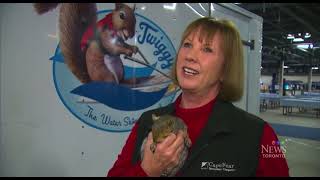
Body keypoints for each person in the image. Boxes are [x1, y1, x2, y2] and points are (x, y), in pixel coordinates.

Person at [107, 17, 289, 177]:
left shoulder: (259, 134)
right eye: (187, 45)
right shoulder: (147, 122)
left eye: (207, 49)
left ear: (225, 70)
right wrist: (147, 170)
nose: (190, 56)